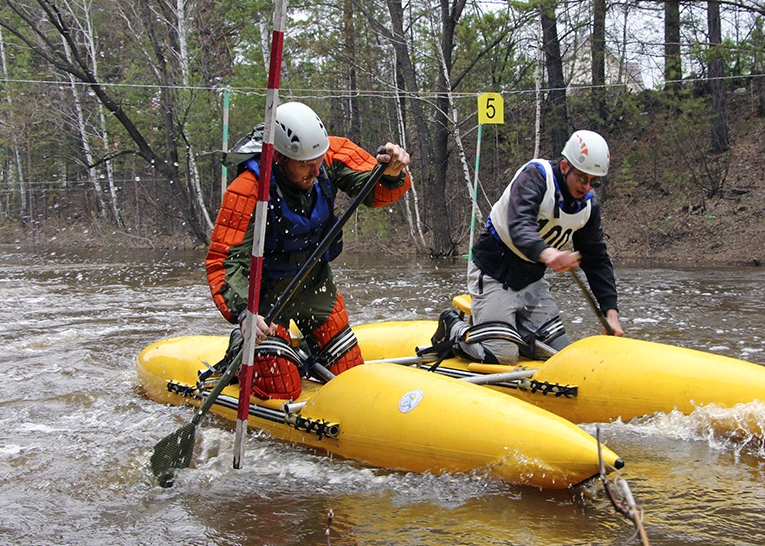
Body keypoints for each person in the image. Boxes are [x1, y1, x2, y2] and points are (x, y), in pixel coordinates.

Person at [205, 101, 411, 400]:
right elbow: (223, 261)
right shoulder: (248, 188)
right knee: (282, 390)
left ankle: (303, 355)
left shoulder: (329, 156)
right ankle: (244, 349)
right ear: (278, 156)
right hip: (264, 300)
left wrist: (391, 172)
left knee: (352, 378)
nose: (315, 170)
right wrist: (244, 312)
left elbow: (377, 192)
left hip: (314, 284)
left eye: (317, 160)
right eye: (304, 164)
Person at [429, 129, 624, 366]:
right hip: (492, 272)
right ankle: (452, 327)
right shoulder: (535, 176)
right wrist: (548, 253)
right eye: (582, 178)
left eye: (594, 181)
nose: (587, 187)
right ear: (565, 167)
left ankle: (515, 330)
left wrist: (610, 314)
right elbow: (519, 226)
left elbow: (597, 260)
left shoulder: (589, 206)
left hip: (531, 282)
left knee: (561, 355)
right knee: (500, 357)